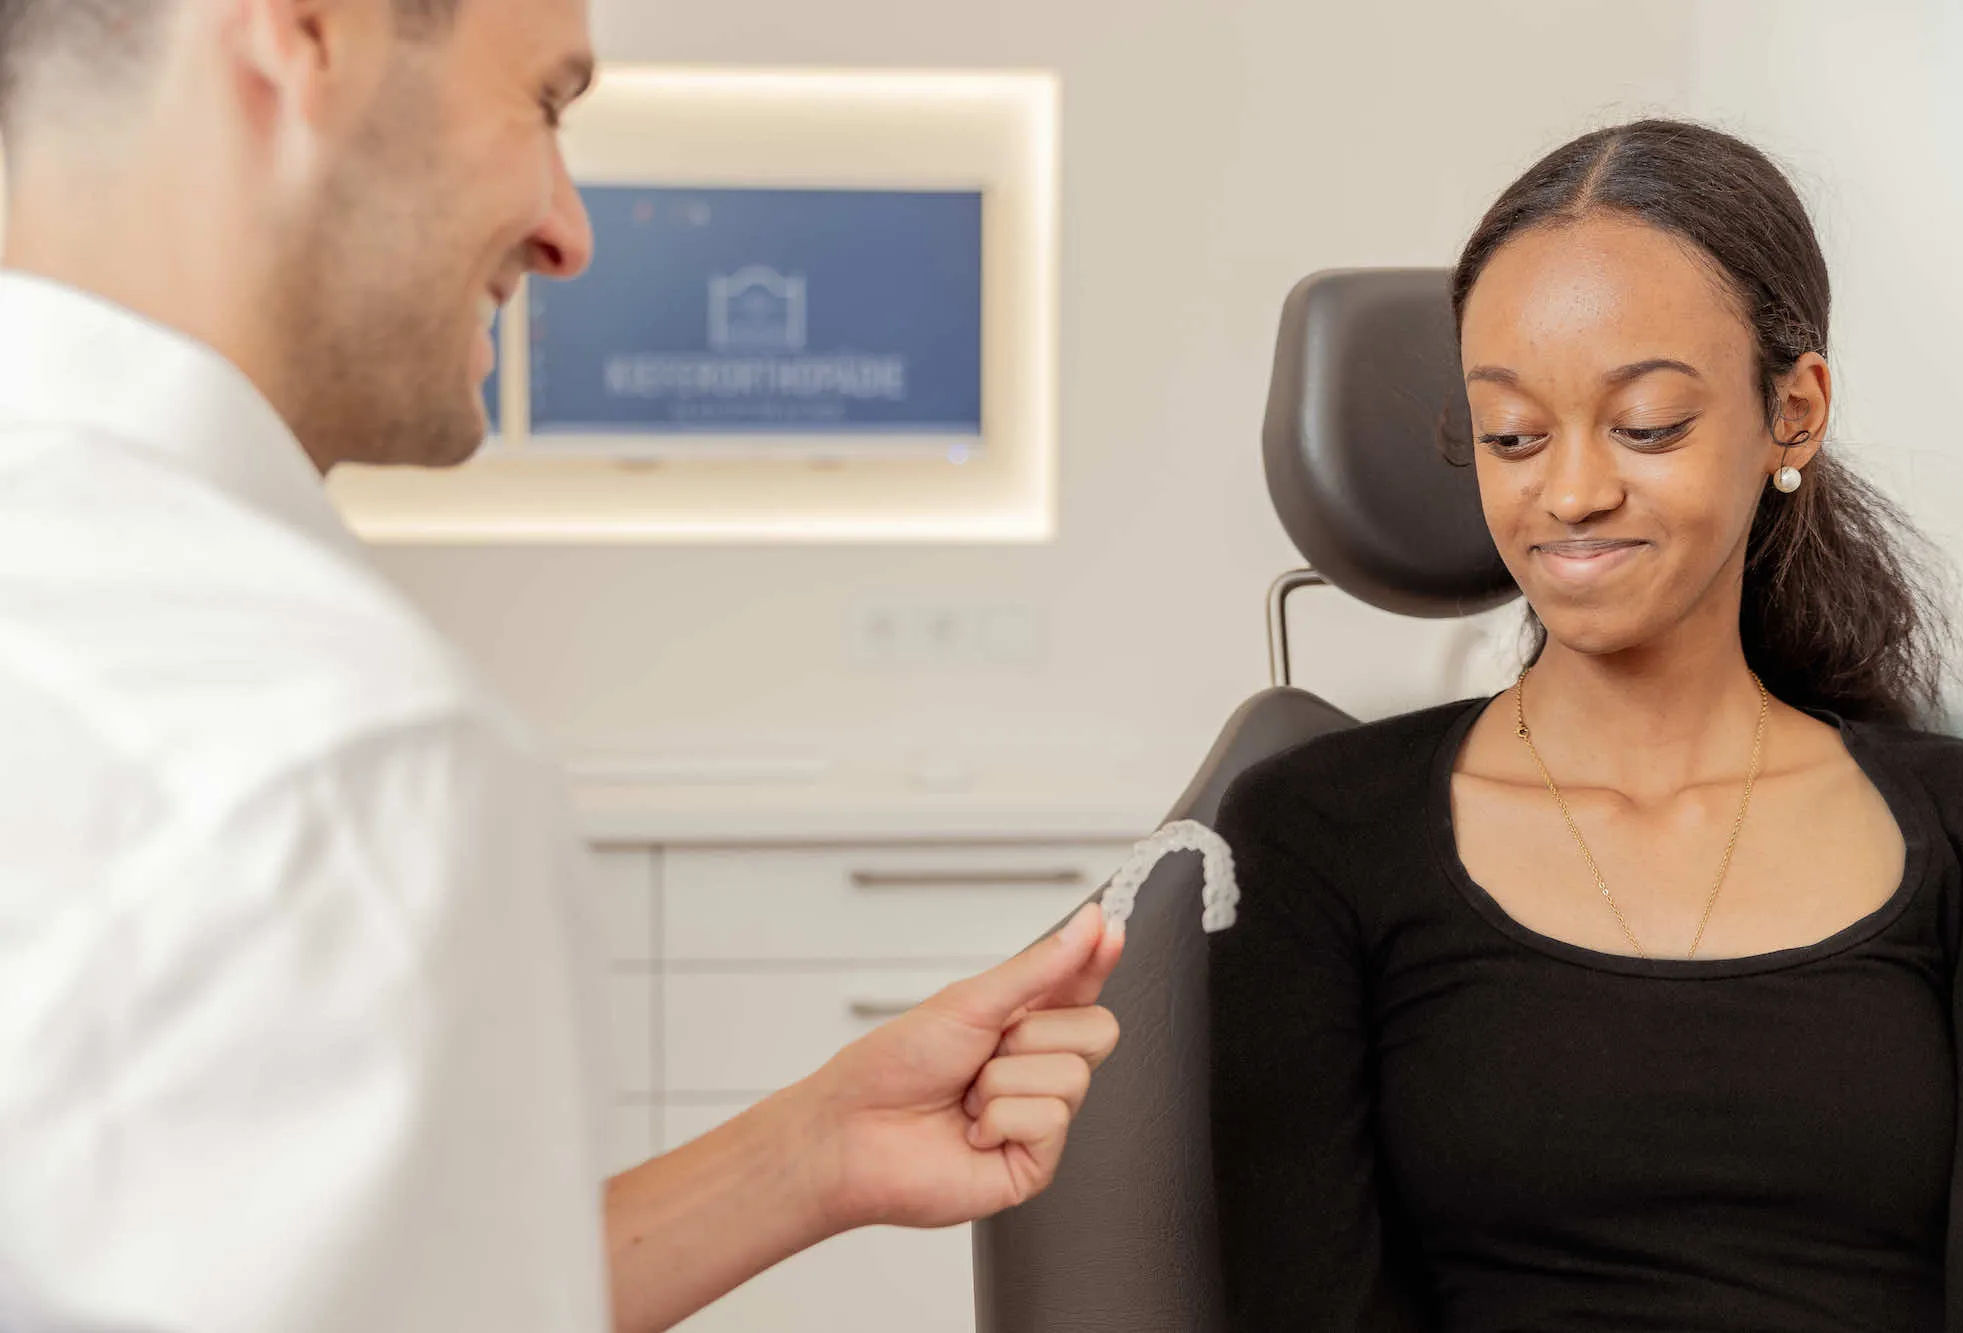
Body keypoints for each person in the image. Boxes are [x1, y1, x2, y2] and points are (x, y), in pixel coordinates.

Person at [0, 1, 1124, 1330]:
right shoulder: (334, 763)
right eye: (543, 102)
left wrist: (809, 1151)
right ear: (308, 32)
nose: (570, 234)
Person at [1209, 118, 1963, 1331]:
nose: (1570, 492)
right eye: (1511, 436)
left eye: (1646, 425)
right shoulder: (1314, 831)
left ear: (1792, 412)